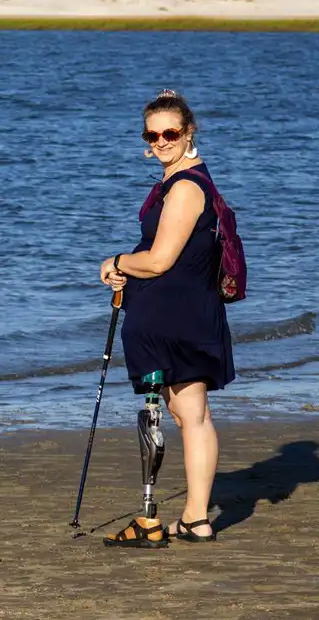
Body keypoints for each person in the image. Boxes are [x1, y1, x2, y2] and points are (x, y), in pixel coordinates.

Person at [100, 89, 235, 545]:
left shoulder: (184, 188)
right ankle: (195, 518)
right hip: (186, 311)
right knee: (188, 414)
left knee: (190, 415)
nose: (160, 141)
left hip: (177, 316)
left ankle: (194, 518)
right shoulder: (185, 179)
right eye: (152, 134)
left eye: (170, 132)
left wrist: (117, 261)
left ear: (188, 131)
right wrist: (124, 270)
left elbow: (159, 260)